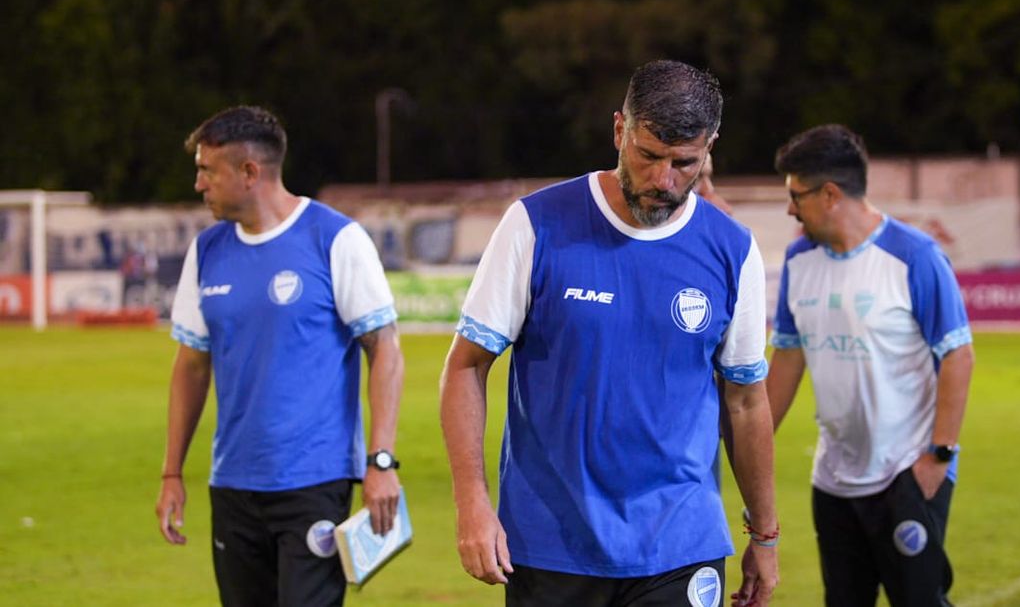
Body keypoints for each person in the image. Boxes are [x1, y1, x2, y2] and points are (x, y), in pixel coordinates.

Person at [439, 60, 779, 607]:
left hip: (681, 544)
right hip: (551, 543)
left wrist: (764, 534)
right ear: (620, 131)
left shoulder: (732, 251)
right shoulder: (536, 225)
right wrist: (472, 502)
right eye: (648, 156)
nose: (663, 181)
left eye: (683, 163)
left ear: (709, 148)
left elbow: (744, 401)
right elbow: (466, 364)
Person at [154, 106, 405, 606]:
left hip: (314, 481)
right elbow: (191, 365)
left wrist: (380, 461)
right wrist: (171, 473)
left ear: (250, 172)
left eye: (207, 170)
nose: (199, 184)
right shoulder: (207, 251)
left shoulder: (335, 239)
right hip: (233, 483)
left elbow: (385, 349)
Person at [766, 124, 974, 606]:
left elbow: (958, 355)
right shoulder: (799, 261)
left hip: (907, 473)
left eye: (797, 195)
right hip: (833, 480)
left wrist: (938, 457)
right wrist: (744, 443)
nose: (790, 208)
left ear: (830, 194)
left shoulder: (914, 257)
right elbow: (788, 359)